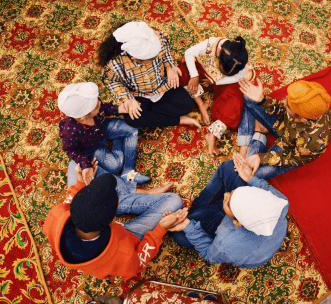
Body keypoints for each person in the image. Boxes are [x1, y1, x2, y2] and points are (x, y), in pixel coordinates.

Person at [43, 160, 188, 281]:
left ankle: (126, 195)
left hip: (98, 222)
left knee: (78, 164)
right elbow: (138, 264)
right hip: (125, 237)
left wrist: (80, 186)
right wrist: (160, 229)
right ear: (112, 221)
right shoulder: (123, 253)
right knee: (174, 201)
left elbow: (68, 203)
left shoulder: (55, 215)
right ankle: (137, 194)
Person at [168, 133, 289, 268]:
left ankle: (197, 214)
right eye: (233, 193)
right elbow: (264, 187)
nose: (226, 194)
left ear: (236, 222)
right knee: (230, 168)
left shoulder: (226, 243)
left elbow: (208, 254)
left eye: (228, 202)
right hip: (237, 224)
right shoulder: (278, 202)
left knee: (179, 235)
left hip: (231, 238)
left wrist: (187, 226)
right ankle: (205, 212)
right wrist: (250, 178)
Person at [99, 21, 201, 129]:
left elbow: (165, 52)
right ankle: (179, 120)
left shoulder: (157, 37)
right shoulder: (115, 63)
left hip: (161, 86)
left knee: (187, 105)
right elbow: (111, 81)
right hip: (139, 94)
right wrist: (128, 99)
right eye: (152, 58)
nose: (157, 56)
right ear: (135, 58)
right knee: (132, 118)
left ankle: (151, 115)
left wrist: (169, 66)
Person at [237, 79, 331, 180]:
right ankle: (244, 149)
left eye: (288, 105)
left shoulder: (314, 141)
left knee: (250, 174)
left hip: (289, 147)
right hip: (281, 124)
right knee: (248, 97)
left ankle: (258, 135)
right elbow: (281, 108)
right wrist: (262, 100)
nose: (283, 101)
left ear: (302, 118)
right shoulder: (306, 100)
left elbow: (292, 158)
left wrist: (260, 158)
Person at [58, 82, 149, 185]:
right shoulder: (70, 132)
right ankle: (118, 138)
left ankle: (128, 171)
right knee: (115, 166)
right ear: (83, 118)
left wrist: (118, 109)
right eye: (96, 106)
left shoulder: (94, 105)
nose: (99, 103)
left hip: (104, 127)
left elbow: (104, 109)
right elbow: (70, 150)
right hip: (93, 148)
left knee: (133, 128)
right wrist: (85, 163)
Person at [178, 36, 256, 157]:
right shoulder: (212, 44)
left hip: (218, 82)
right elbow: (189, 53)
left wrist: (215, 81)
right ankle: (200, 104)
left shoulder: (241, 65)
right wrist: (194, 76)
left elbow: (235, 78)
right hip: (202, 73)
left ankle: (212, 134)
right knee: (180, 72)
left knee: (236, 98)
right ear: (218, 54)